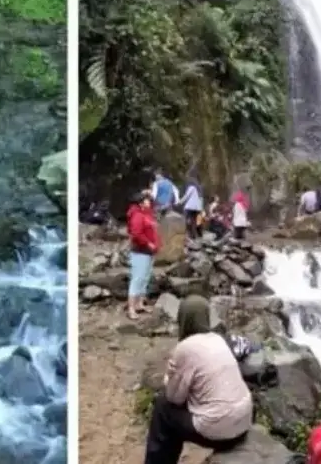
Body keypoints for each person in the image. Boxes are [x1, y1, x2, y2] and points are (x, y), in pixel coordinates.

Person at [144, 294, 252, 464]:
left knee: (163, 409)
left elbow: (174, 398)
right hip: (244, 422)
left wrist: (169, 378)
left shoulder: (185, 348)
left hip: (220, 430)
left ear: (183, 319)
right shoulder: (218, 339)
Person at [127, 192, 160, 320]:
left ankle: (139, 303)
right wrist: (148, 243)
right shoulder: (137, 215)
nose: (149, 202)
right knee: (137, 278)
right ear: (141, 203)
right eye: (147, 200)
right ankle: (131, 308)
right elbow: (136, 233)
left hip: (148, 251)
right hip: (140, 251)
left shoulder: (146, 214)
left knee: (144, 278)